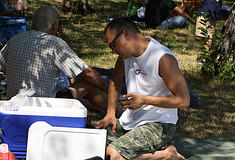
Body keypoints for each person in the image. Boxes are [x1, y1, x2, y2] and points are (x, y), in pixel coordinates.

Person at [96, 17, 190, 160]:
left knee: (113, 154)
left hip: (160, 126)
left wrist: (144, 100)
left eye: (113, 45)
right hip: (130, 121)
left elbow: (184, 100)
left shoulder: (162, 58)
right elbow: (115, 80)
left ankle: (166, 155)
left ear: (126, 35)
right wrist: (110, 112)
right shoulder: (125, 55)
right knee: (94, 144)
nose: (113, 51)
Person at [0, 6, 108, 112]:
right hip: (45, 107)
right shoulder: (55, 43)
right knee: (86, 84)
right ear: (54, 26)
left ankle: (97, 108)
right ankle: (118, 112)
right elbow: (88, 74)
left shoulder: (15, 39)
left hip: (14, 104)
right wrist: (108, 90)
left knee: (60, 89)